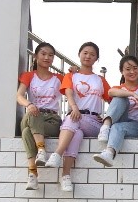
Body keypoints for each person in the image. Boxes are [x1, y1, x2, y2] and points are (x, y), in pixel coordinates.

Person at [43, 41, 110, 193]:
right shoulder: (71, 75)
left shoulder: (100, 80)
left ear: (96, 58)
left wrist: (107, 118)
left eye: (92, 54)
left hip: (93, 122)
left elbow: (111, 99)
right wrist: (74, 107)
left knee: (72, 120)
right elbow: (68, 92)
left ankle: (57, 154)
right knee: (76, 133)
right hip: (75, 117)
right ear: (79, 54)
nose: (88, 56)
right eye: (85, 53)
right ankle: (65, 176)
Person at [93, 55, 138, 169]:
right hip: (121, 119)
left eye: (135, 68)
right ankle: (105, 127)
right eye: (128, 69)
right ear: (122, 71)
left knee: (118, 127)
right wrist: (132, 94)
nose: (132, 72)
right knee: (120, 98)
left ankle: (109, 153)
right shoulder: (118, 88)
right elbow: (110, 92)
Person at [17, 42, 62, 191]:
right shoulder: (29, 76)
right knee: (33, 112)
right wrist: (29, 104)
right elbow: (19, 96)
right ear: (36, 56)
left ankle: (32, 174)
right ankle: (41, 150)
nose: (47, 57)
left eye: (50, 55)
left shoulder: (59, 78)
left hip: (51, 120)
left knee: (26, 132)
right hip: (32, 115)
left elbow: (74, 88)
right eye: (43, 54)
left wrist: (73, 72)